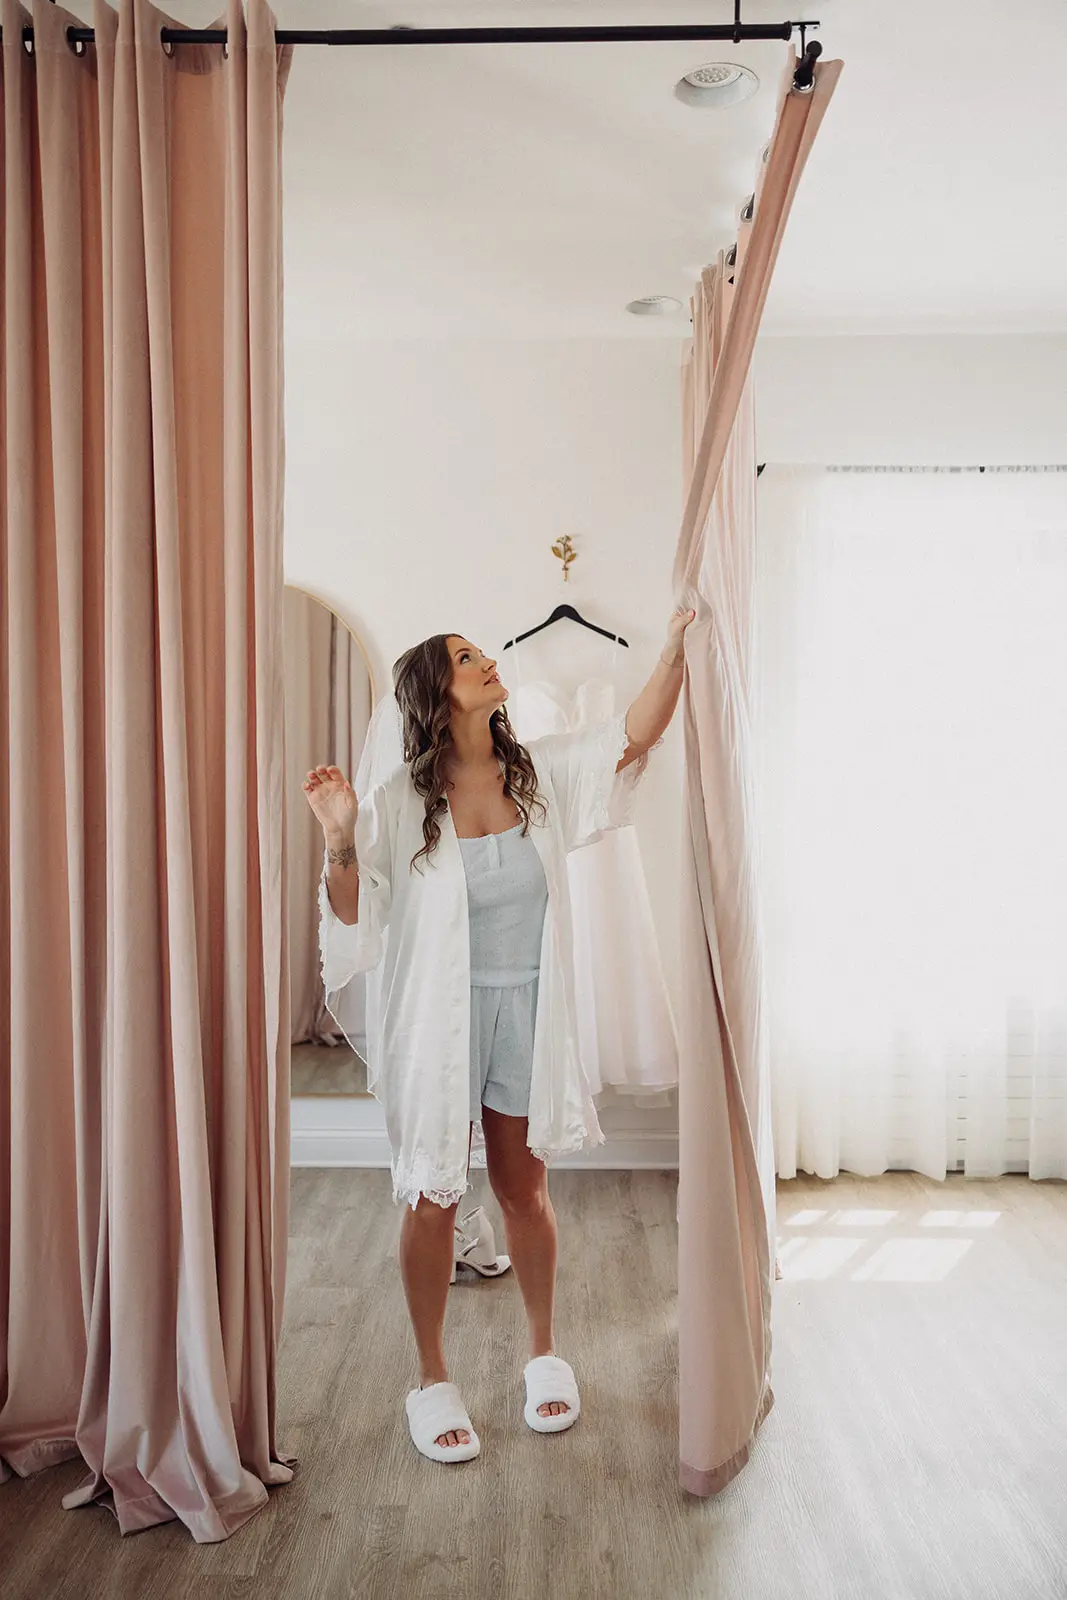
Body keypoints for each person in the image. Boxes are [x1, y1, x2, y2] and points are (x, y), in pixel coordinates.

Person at [303, 607, 694, 1464]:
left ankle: (544, 1353)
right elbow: (350, 913)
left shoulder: (537, 777)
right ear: (434, 692)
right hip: (433, 1023)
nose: (484, 660)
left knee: (523, 1189)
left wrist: (674, 649)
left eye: (479, 651)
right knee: (432, 1197)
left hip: (526, 1008)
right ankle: (430, 1377)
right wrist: (338, 837)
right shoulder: (397, 803)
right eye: (464, 657)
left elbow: (631, 738)